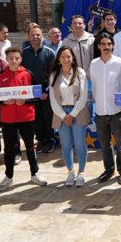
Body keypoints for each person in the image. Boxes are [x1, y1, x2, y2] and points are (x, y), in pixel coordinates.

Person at [0, 47, 48, 191]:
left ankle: (35, 173)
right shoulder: (0, 76)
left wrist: (26, 100)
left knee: (29, 145)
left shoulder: (28, 74)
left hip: (26, 117)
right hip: (8, 118)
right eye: (11, 58)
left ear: (21, 59)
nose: (14, 60)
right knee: (9, 148)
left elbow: (36, 94)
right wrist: (4, 102)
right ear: (6, 59)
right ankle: (8, 176)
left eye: (16, 58)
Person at [90, 32, 121, 184]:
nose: (106, 47)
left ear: (113, 45)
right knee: (104, 143)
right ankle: (109, 169)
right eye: (103, 44)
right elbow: (94, 87)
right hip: (100, 111)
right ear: (98, 46)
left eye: (109, 44)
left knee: (120, 142)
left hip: (117, 111)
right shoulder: (93, 64)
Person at [48, 46, 90, 187]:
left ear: (73, 58)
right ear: (59, 60)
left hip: (78, 111)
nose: (66, 59)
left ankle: (81, 172)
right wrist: (63, 115)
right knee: (65, 145)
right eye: (62, 57)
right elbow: (53, 99)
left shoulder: (80, 73)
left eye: (68, 56)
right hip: (61, 113)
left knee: (79, 144)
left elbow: (83, 97)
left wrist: (71, 115)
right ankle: (70, 171)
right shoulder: (54, 75)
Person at [22, 23, 56, 153]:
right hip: (31, 93)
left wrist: (45, 91)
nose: (35, 37)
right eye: (33, 35)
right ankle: (41, 140)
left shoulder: (49, 52)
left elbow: (53, 74)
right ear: (28, 36)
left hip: (46, 93)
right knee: (36, 118)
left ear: (42, 36)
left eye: (38, 34)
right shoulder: (24, 53)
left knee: (48, 117)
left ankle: (50, 141)